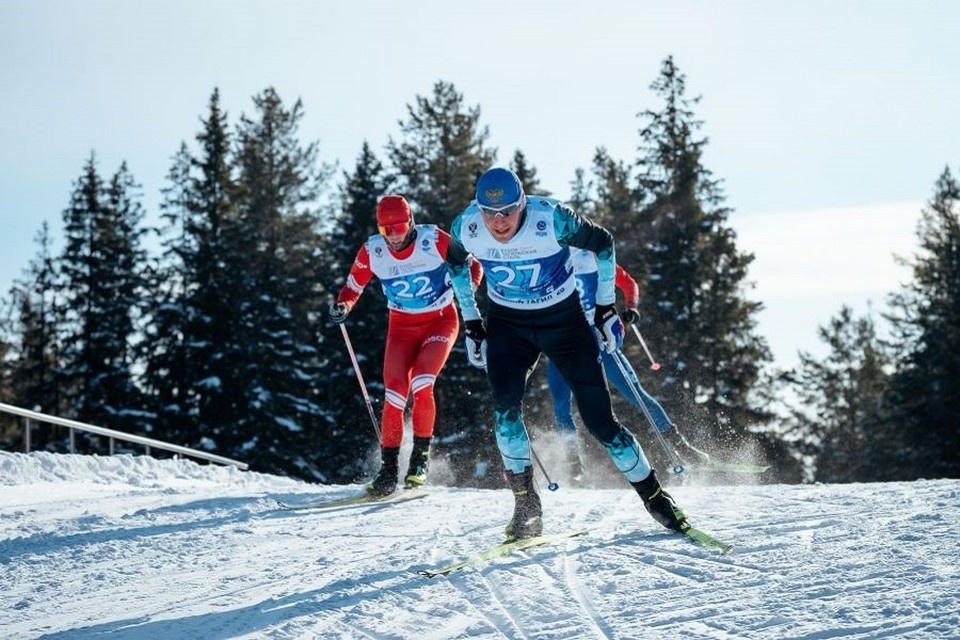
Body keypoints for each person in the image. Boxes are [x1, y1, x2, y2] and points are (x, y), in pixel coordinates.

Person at [444, 167, 689, 541]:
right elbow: (457, 264)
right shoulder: (468, 225)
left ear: (522, 204)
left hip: (565, 322)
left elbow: (603, 243)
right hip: (509, 326)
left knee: (601, 423)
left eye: (508, 211)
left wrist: (606, 306)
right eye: (489, 213)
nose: (498, 222)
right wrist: (473, 322)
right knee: (505, 411)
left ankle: (655, 497)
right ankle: (526, 507)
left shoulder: (552, 218)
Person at [330, 194, 481, 497]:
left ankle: (419, 462)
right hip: (401, 328)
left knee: (423, 384)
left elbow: (473, 267)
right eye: (387, 231)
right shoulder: (373, 250)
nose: (395, 237)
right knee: (395, 395)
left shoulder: (432, 239)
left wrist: (463, 290)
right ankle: (388, 471)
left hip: (440, 321)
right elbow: (352, 286)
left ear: (411, 221)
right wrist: (343, 306)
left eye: (399, 227)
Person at [546, 250, 709, 483]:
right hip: (563, 341)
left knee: (636, 395)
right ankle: (574, 466)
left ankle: (680, 445)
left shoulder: (594, 256)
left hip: (598, 338)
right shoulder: (547, 258)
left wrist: (631, 307)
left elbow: (628, 283)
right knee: (562, 404)